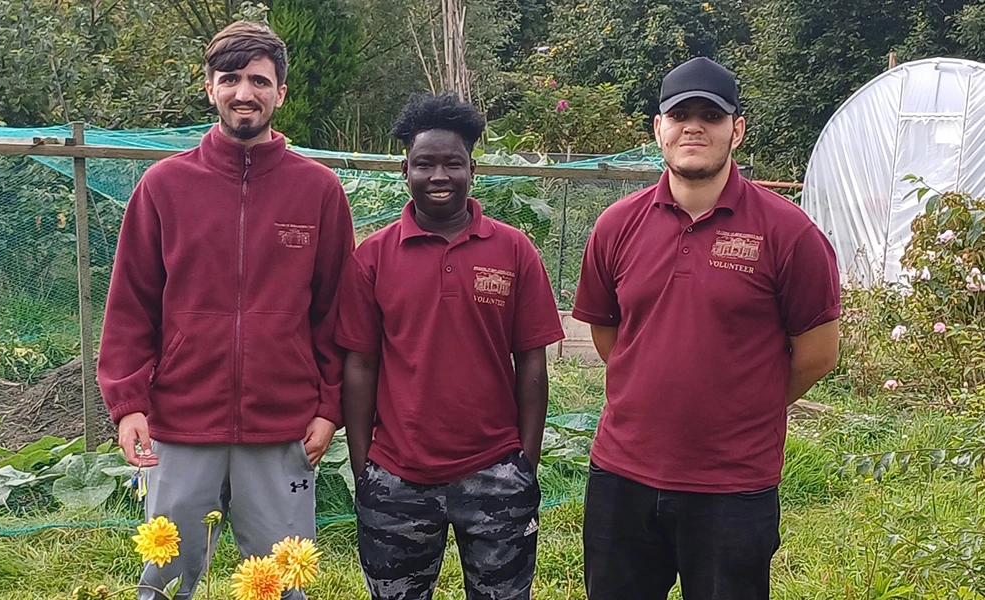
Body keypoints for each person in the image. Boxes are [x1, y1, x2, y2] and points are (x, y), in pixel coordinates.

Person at [97, 21, 354, 600]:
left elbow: (337, 313)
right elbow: (132, 304)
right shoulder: (164, 185)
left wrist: (329, 406)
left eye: (259, 80)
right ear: (210, 87)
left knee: (282, 585)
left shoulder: (318, 191)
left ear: (280, 93)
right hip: (180, 422)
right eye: (230, 78)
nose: (245, 92)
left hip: (283, 423)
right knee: (161, 583)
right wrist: (128, 403)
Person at [573, 57, 841, 600]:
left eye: (711, 115)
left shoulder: (789, 233)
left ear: (736, 130)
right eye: (680, 114)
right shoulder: (616, 225)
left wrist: (745, 402)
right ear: (659, 128)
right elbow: (610, 336)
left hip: (732, 487)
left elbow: (817, 354)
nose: (694, 127)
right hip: (622, 476)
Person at [336, 93, 565, 600]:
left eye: (452, 163)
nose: (439, 175)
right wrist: (363, 467)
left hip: (496, 474)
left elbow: (530, 360)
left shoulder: (514, 250)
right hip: (396, 477)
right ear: (405, 170)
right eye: (425, 164)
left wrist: (523, 462)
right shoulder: (372, 258)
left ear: (472, 169)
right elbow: (360, 364)